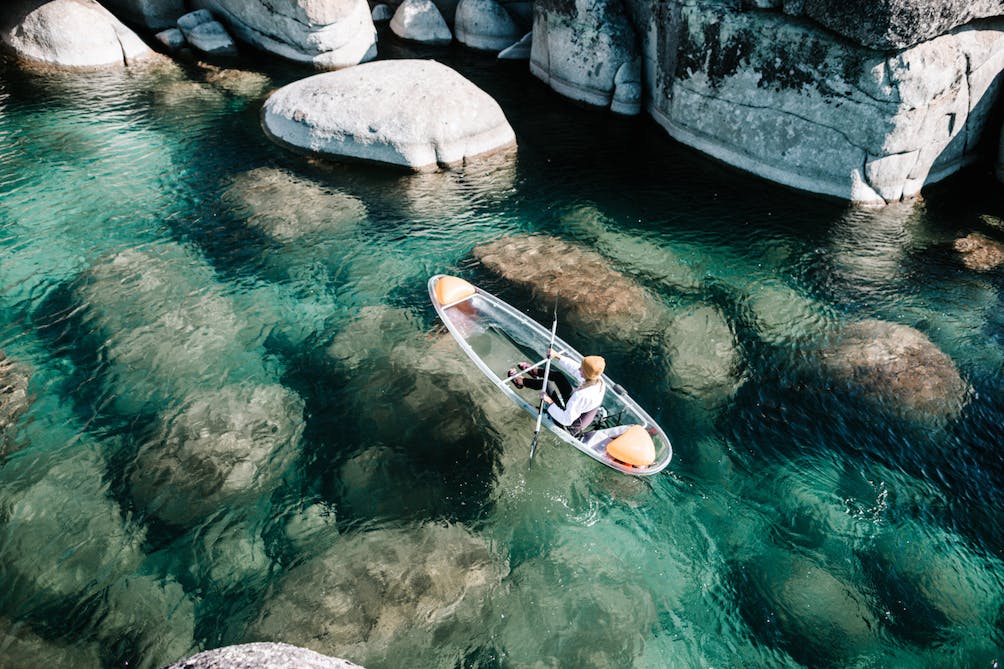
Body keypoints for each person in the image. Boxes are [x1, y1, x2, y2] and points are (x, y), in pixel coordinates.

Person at [509, 350, 606, 438]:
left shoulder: (582, 395)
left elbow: (566, 420)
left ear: (587, 374)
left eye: (582, 369)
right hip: (576, 410)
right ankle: (536, 372)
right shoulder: (598, 380)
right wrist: (557, 356)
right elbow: (575, 368)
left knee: (546, 384)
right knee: (558, 376)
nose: (579, 368)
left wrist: (549, 401)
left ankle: (520, 382)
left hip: (569, 426)